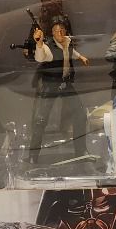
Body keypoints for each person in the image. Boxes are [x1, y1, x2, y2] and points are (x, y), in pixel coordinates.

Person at [28, 15, 90, 164]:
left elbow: (70, 52)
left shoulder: (67, 42)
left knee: (80, 115)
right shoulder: (48, 47)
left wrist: (81, 57)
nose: (60, 33)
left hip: (65, 83)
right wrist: (39, 43)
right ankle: (32, 156)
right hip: (51, 85)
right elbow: (40, 57)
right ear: (52, 33)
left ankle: (81, 151)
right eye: (56, 30)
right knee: (40, 120)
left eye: (62, 29)